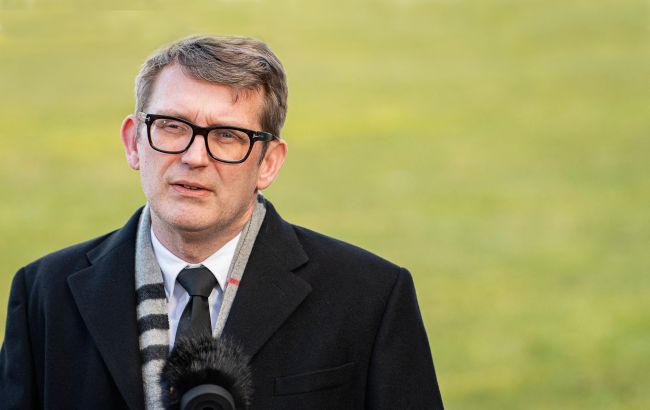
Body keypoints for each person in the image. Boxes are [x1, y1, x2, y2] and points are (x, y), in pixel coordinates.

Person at [0, 35, 444, 409]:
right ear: (134, 143)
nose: (194, 157)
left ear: (268, 163)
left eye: (228, 135)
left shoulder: (370, 299)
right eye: (172, 126)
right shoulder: (44, 295)